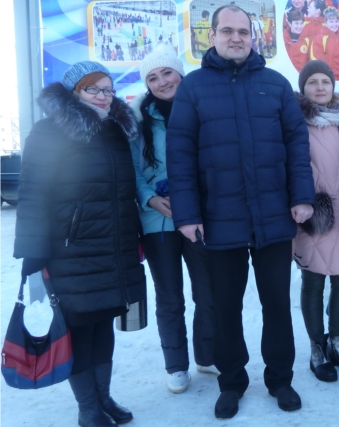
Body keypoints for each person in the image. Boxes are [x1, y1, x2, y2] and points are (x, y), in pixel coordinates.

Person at [166, 5, 315, 418]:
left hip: (272, 217)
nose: (236, 38)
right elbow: (180, 157)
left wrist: (302, 197)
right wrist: (187, 214)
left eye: (244, 32)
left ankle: (280, 379)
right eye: (227, 31)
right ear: (210, 36)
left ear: (254, 37)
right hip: (218, 218)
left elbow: (296, 147)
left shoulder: (276, 84)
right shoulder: (193, 88)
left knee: (277, 306)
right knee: (225, 307)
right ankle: (231, 382)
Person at [14, 61, 144, 426]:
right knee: (79, 328)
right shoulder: (49, 132)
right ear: (75, 92)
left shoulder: (116, 130)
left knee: (103, 324)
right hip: (71, 250)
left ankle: (104, 398)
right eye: (94, 89)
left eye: (108, 90)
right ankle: (88, 409)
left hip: (114, 247)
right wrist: (33, 251)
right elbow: (33, 194)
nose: (104, 97)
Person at [130, 47, 217, 394]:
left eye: (166, 73)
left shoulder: (201, 111)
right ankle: (176, 365)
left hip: (198, 218)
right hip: (158, 223)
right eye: (153, 78)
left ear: (180, 74)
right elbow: (133, 172)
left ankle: (206, 355)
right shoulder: (137, 120)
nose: (162, 82)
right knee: (170, 298)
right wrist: (150, 198)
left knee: (207, 292)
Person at [293, 60, 339, 383]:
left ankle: (338, 343)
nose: (320, 87)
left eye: (325, 81)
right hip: (313, 214)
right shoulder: (294, 122)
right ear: (303, 88)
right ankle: (316, 349)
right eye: (313, 82)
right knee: (314, 282)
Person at [309, 7, 339, 79]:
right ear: (325, 23)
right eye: (331, 22)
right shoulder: (319, 38)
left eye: (336, 21)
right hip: (328, 79)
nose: (334, 24)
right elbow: (316, 61)